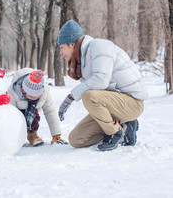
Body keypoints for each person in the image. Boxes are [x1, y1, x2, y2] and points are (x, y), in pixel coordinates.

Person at [57, 20, 148, 151]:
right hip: (114, 105)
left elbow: (101, 80)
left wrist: (71, 97)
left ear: (71, 44)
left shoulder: (99, 46)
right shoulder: (83, 60)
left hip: (132, 102)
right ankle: (124, 128)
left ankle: (114, 133)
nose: (60, 51)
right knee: (76, 139)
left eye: (61, 47)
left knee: (89, 96)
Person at [8, 69, 67, 147]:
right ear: (23, 90)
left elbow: (50, 111)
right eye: (32, 96)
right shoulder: (13, 91)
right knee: (17, 119)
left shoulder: (45, 91)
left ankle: (32, 133)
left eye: (38, 95)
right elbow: (9, 115)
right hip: (17, 111)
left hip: (33, 111)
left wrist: (56, 135)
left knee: (34, 115)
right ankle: (14, 138)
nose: (35, 98)